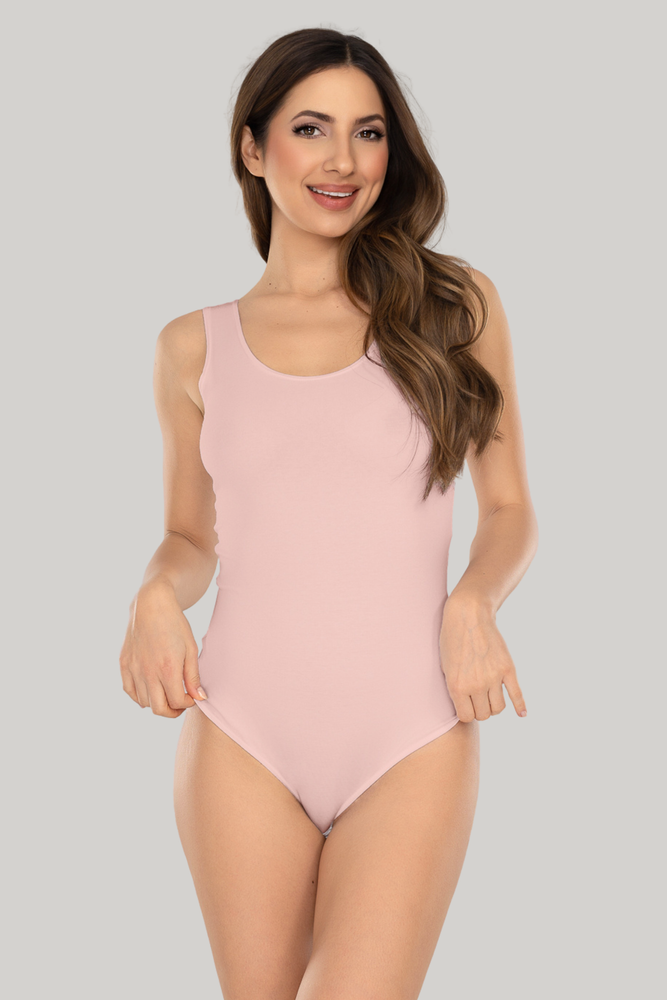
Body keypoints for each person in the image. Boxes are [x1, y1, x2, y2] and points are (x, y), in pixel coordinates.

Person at [119, 27, 538, 1000]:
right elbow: (190, 536)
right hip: (241, 732)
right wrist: (153, 594)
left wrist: (473, 600)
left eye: (369, 132)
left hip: (412, 729)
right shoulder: (192, 347)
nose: (343, 160)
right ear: (252, 147)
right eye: (310, 129)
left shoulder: (453, 305)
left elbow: (510, 507)